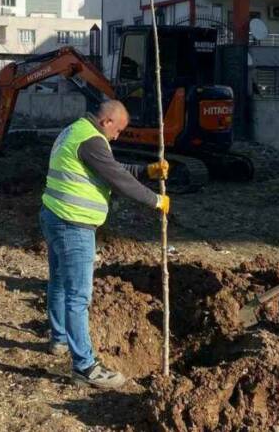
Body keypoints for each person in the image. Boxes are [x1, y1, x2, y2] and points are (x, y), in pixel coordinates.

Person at [40, 100, 171, 389]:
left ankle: (60, 339)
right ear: (107, 121)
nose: (118, 136)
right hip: (73, 224)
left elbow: (111, 168)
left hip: (54, 215)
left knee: (60, 283)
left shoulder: (77, 130)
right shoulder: (91, 139)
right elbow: (118, 180)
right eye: (119, 130)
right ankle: (84, 367)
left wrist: (146, 171)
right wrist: (156, 200)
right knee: (78, 295)